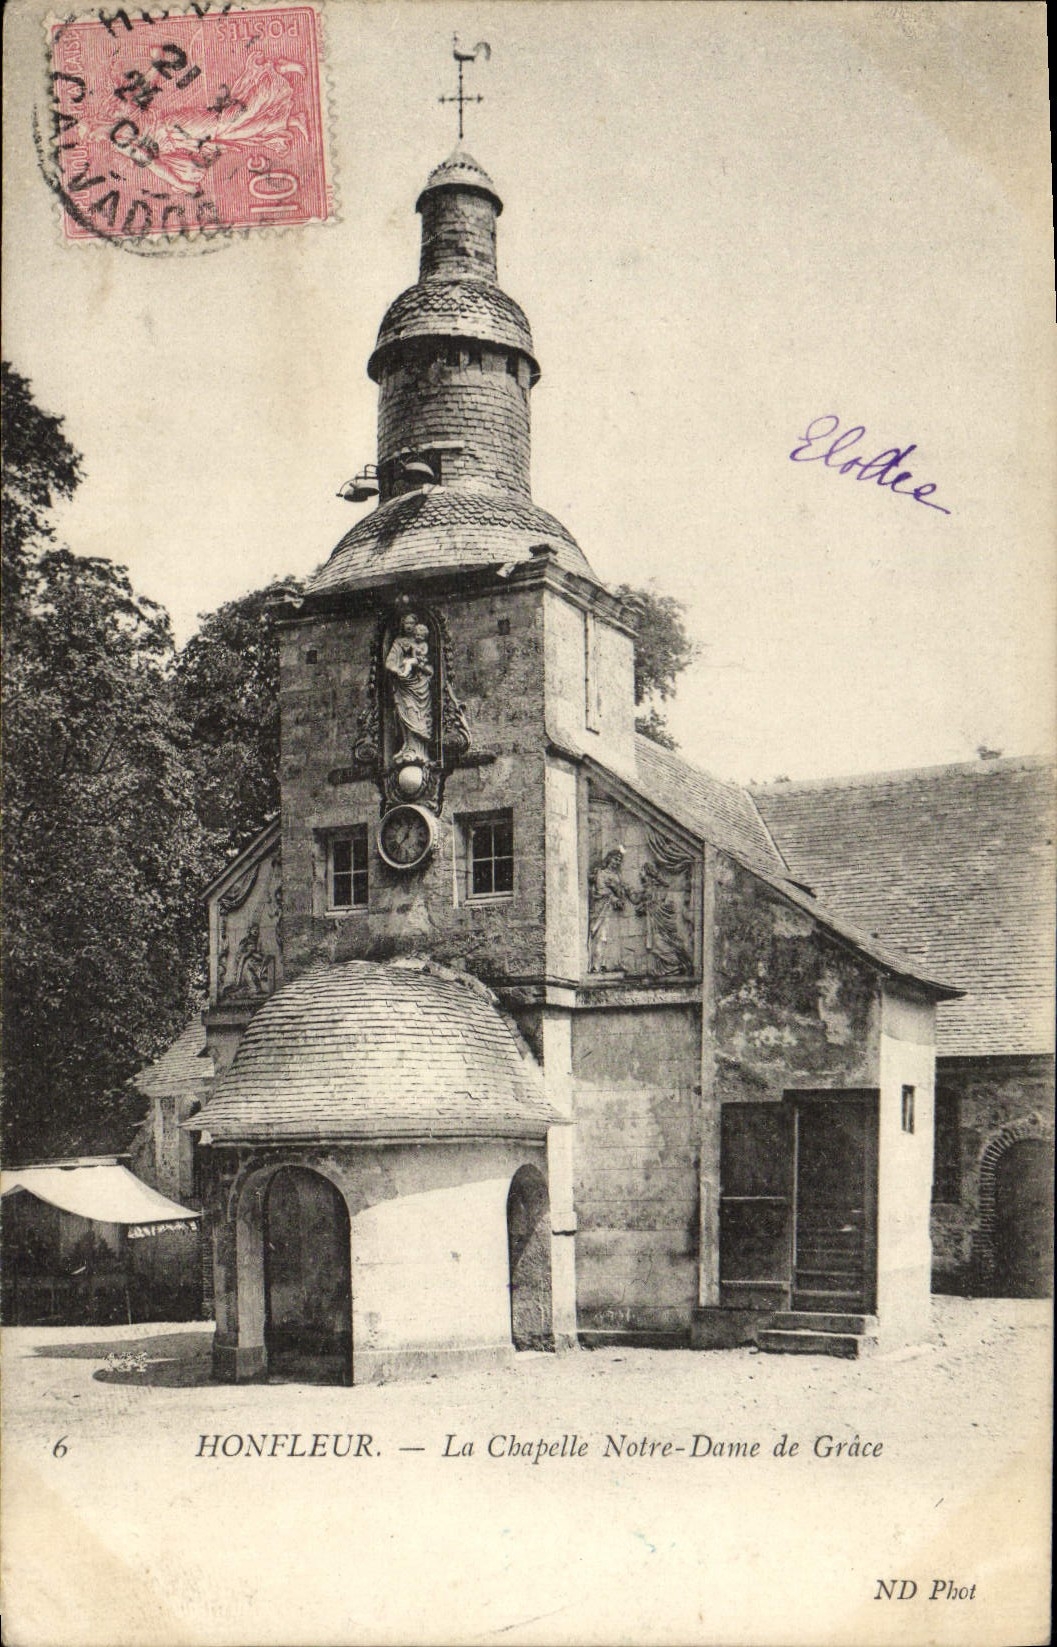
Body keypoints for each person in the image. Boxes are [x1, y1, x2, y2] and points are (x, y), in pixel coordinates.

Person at [385, 613, 434, 761]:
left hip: (420, 686)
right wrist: (398, 670)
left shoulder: (422, 644)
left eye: (412, 623)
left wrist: (417, 664)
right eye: (406, 623)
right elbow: (389, 663)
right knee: (404, 713)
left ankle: (418, 751)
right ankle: (407, 746)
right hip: (404, 685)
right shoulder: (399, 643)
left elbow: (428, 666)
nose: (409, 626)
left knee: (417, 715)